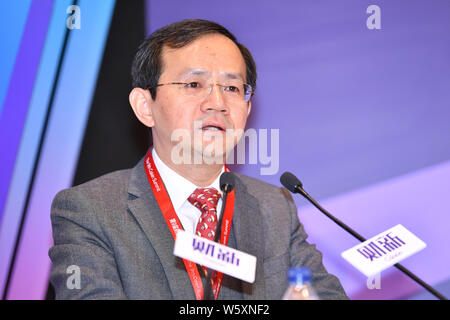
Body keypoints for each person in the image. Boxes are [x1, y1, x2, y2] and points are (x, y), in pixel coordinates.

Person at [48, 19, 348, 300]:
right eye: (193, 85)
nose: (217, 103)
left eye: (232, 88)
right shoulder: (89, 210)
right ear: (145, 106)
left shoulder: (275, 207)